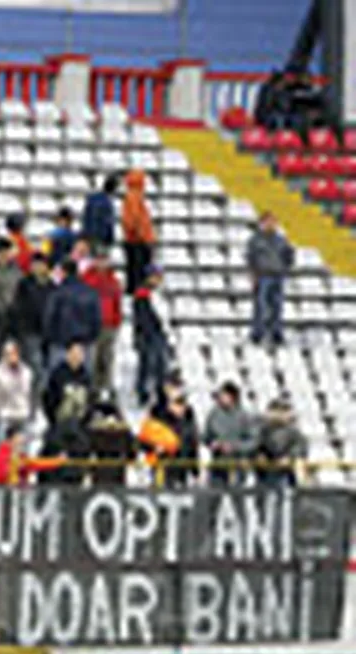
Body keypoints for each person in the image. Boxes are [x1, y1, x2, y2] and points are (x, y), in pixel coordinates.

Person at [43, 259, 101, 371]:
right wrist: (89, 338)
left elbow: (49, 319)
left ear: (64, 272)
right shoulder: (91, 292)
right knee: (83, 377)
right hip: (84, 345)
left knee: (58, 377)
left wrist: (50, 339)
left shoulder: (57, 293)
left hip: (60, 344)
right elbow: (97, 320)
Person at [246, 212, 294, 347]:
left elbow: (289, 254)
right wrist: (253, 274)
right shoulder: (255, 240)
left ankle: (276, 333)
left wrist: (284, 268)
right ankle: (257, 333)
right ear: (262, 223)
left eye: (273, 222)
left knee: (277, 306)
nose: (271, 224)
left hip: (277, 276)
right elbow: (251, 258)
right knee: (261, 306)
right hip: (262, 276)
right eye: (268, 222)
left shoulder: (281, 239)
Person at [81, 250, 123, 394]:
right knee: (93, 358)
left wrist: (117, 321)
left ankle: (106, 387)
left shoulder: (114, 281)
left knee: (107, 357)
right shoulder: (87, 279)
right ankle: (92, 388)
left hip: (109, 324)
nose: (102, 263)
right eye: (99, 259)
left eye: (104, 260)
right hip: (92, 324)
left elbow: (117, 302)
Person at [13, 252, 54, 398]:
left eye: (40, 264)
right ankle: (32, 396)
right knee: (35, 366)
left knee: (45, 366)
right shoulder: (24, 284)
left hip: (48, 333)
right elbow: (18, 308)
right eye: (34, 264)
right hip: (30, 331)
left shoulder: (52, 286)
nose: (37, 267)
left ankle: (40, 396)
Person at [204, 380, 259, 486]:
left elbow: (253, 442)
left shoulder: (244, 415)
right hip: (217, 465)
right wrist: (212, 443)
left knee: (236, 493)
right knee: (214, 493)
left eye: (224, 395)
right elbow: (206, 436)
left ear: (233, 397)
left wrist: (234, 447)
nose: (220, 398)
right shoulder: (213, 414)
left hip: (237, 466)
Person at [0, 340, 33, 452]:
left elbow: (32, 395)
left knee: (22, 454)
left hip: (23, 416)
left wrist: (31, 413)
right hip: (4, 418)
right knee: (1, 453)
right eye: (7, 353)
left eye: (14, 353)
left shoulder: (27, 372)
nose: (11, 356)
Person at [145, 389, 199, 488]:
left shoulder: (189, 423)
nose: (180, 407)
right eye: (177, 403)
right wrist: (155, 450)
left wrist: (195, 472)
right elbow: (146, 444)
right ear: (169, 405)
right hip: (162, 472)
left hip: (181, 473)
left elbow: (193, 448)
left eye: (182, 403)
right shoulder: (159, 421)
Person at [134, 265, 171, 406]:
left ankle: (160, 392)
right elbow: (143, 317)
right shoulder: (143, 294)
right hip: (148, 335)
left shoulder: (157, 293)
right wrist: (149, 333)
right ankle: (143, 392)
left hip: (158, 333)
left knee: (160, 365)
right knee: (148, 364)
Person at [254, 397, 307, 488]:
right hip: (265, 473)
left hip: (285, 472)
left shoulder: (294, 432)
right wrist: (259, 454)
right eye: (274, 411)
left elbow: (301, 447)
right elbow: (256, 444)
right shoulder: (262, 430)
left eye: (281, 411)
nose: (277, 415)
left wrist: (289, 457)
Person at [86, 390, 135, 485]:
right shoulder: (122, 425)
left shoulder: (92, 424)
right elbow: (132, 449)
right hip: (113, 464)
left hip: (105, 464)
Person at [121, 169, 156, 295]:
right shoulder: (135, 196)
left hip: (133, 238)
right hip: (138, 240)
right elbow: (135, 218)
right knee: (139, 269)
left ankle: (134, 290)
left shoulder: (130, 196)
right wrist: (141, 235)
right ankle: (139, 292)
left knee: (133, 268)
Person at [0, 238, 24, 354]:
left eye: (6, 252)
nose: (4, 255)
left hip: (16, 316)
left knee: (18, 348)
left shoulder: (17, 271)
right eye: (1, 252)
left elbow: (22, 292)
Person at [43, 341, 92, 427]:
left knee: (81, 392)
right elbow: (50, 398)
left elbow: (90, 399)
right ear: (68, 355)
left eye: (79, 354)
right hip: (61, 416)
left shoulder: (86, 375)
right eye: (73, 354)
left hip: (80, 418)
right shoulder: (58, 373)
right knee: (71, 392)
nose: (76, 357)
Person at [81, 175, 119, 253]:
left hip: (89, 235)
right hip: (100, 236)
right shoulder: (107, 203)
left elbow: (85, 216)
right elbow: (108, 223)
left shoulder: (92, 198)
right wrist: (110, 239)